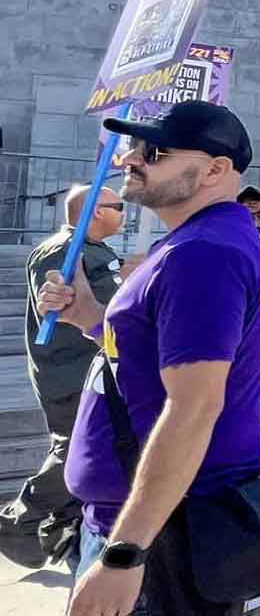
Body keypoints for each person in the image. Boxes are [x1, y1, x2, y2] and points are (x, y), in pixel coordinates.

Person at [39, 100, 260, 613]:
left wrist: (125, 552)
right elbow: (148, 359)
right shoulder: (194, 244)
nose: (130, 159)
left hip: (161, 537)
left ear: (215, 170)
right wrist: (90, 316)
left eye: (155, 151)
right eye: (134, 147)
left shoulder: (203, 255)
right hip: (146, 525)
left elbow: (194, 408)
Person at [0, 186, 124, 570]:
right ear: (96, 212)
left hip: (91, 367)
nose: (124, 212)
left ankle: (61, 524)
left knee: (88, 448)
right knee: (71, 449)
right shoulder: (64, 250)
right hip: (68, 372)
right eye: (117, 206)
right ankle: (19, 520)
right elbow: (55, 298)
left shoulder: (93, 249)